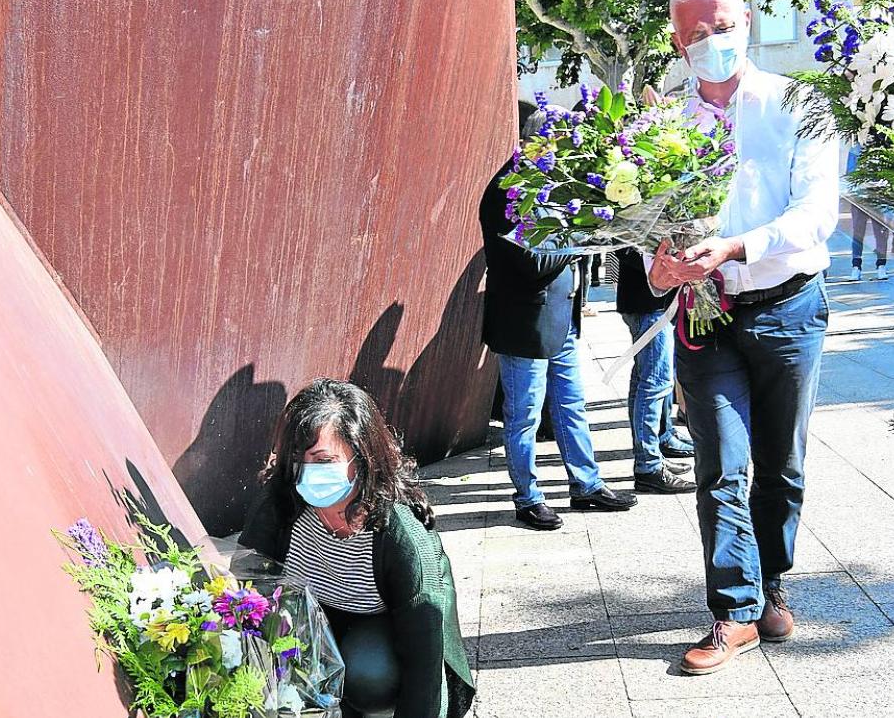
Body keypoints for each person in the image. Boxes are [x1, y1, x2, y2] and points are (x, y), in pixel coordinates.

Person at [648, 0, 839, 675]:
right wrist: (660, 268)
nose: (711, 43)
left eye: (722, 28)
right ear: (676, 40)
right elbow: (652, 226)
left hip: (788, 306)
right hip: (706, 316)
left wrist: (737, 246)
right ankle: (733, 612)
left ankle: (771, 582)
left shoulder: (801, 105)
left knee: (781, 468)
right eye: (696, 33)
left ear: (747, 23)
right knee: (721, 466)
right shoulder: (662, 120)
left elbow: (819, 211)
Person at [238, 379, 474, 718]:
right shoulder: (280, 502)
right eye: (296, 457)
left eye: (323, 460)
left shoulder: (399, 534)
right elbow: (248, 590)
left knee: (367, 673)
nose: (308, 473)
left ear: (360, 458)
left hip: (382, 631)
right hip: (314, 619)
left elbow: (426, 658)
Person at [480, 106, 638, 531]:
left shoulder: (548, 182)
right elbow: (530, 263)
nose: (568, 155)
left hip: (560, 317)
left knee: (572, 405)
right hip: (523, 325)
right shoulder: (506, 191)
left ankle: (586, 485)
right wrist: (582, 240)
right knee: (524, 415)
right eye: (562, 145)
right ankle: (527, 497)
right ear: (537, 142)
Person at [615, 247, 697, 494]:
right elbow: (624, 246)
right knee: (654, 382)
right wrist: (661, 264)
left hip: (659, 301)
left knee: (650, 379)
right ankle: (648, 465)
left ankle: (661, 438)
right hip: (645, 302)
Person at [846, 145, 889, 281]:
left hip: (878, 196)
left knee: (881, 232)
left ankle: (881, 265)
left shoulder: (883, 148)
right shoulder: (855, 149)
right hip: (860, 197)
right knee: (858, 232)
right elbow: (850, 173)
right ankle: (856, 267)